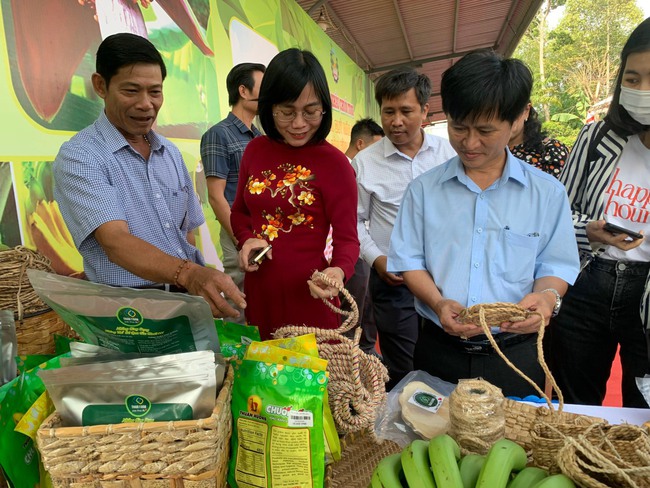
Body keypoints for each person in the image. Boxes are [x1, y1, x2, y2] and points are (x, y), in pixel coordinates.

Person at [387, 50, 580, 397]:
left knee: (515, 446)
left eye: (486, 130)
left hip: (515, 355)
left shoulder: (547, 193)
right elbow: (410, 261)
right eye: (459, 127)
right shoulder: (424, 191)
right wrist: (438, 302)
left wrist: (547, 297)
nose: (470, 143)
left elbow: (555, 264)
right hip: (438, 349)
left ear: (519, 117)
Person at [53, 33, 245, 319]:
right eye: (131, 91)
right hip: (129, 313)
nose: (146, 104)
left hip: (184, 303)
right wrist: (189, 274)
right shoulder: (81, 156)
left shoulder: (170, 152)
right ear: (100, 85)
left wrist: (192, 286)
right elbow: (115, 241)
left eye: (155, 92)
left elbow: (186, 234)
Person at [549, 18, 650, 408]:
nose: (641, 90)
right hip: (590, 281)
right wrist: (588, 232)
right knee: (573, 401)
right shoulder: (597, 138)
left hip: (647, 295)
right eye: (633, 77)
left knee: (642, 409)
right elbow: (556, 215)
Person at [230, 48, 359, 340]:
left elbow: (347, 239)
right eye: (287, 112)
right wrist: (247, 238)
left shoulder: (335, 164)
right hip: (260, 291)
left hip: (312, 294)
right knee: (264, 379)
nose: (299, 124)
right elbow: (239, 212)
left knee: (311, 382)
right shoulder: (255, 150)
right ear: (269, 107)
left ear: (324, 108)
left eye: (311, 112)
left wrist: (338, 273)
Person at [353, 68, 456, 389]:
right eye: (389, 111)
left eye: (406, 111)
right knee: (405, 370)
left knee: (447, 360)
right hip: (393, 282)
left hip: (446, 280)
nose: (396, 121)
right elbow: (353, 221)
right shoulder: (366, 162)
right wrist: (377, 260)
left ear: (425, 110)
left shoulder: (448, 154)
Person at [200, 62, 265, 321]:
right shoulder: (218, 134)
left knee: (260, 294)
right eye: (264, 88)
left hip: (260, 230)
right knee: (240, 295)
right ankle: (236, 357)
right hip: (237, 231)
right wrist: (241, 237)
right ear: (244, 91)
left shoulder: (260, 136)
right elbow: (216, 196)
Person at [343, 118, 384, 355]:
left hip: (369, 245)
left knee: (368, 302)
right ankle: (349, 354)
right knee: (353, 304)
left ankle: (367, 349)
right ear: (360, 143)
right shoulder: (342, 167)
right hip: (350, 248)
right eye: (376, 148)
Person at [508, 105, 569, 178]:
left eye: (508, 110)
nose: (501, 119)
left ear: (526, 111)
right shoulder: (493, 152)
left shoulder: (551, 150)